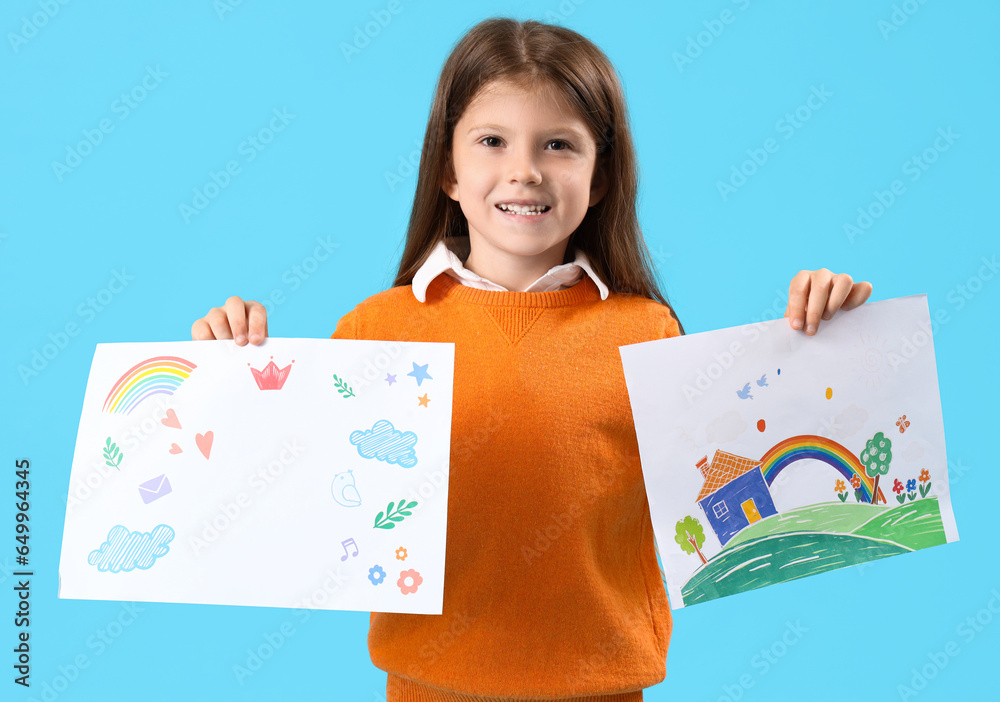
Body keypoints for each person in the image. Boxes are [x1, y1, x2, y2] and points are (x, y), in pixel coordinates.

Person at [191, 16, 872, 701]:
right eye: (492, 141)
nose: (525, 170)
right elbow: (290, 502)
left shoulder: (649, 333)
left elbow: (734, 492)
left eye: (559, 145)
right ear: (449, 172)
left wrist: (822, 340)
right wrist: (230, 381)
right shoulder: (376, 331)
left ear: (601, 177)